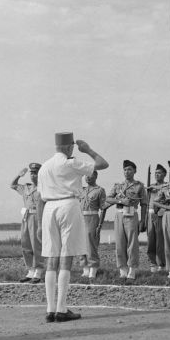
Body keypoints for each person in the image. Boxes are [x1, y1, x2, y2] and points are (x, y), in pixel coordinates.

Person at [37, 133, 108, 322]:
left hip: (48, 208)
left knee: (51, 259)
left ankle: (50, 310)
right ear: (69, 147)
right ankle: (61, 309)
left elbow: (39, 197)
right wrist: (88, 150)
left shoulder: (44, 167)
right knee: (65, 258)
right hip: (68, 205)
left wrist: (38, 223)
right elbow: (102, 164)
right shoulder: (70, 162)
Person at [105, 160, 147, 281]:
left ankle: (132, 269)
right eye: (125, 169)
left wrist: (143, 220)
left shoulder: (139, 186)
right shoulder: (118, 186)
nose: (127, 172)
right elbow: (108, 199)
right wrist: (120, 201)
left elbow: (144, 204)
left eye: (129, 169)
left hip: (132, 215)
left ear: (134, 171)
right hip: (119, 215)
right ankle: (122, 269)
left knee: (132, 243)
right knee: (119, 243)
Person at [11, 163, 44, 283]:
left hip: (37, 217)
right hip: (26, 217)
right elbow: (13, 185)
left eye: (35, 173)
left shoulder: (43, 187)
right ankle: (30, 271)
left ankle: (38, 271)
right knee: (26, 244)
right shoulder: (26, 187)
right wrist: (19, 175)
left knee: (37, 245)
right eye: (31, 173)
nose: (33, 175)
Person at [78, 170, 107, 280]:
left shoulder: (99, 190)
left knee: (91, 244)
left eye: (90, 175)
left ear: (96, 176)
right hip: (80, 218)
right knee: (80, 244)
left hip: (92, 218)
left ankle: (93, 269)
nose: (87, 177)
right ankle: (85, 268)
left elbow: (103, 208)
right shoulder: (81, 190)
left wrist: (100, 225)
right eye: (85, 175)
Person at [147, 164, 167, 273]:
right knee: (151, 240)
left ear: (164, 174)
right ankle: (152, 263)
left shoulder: (166, 186)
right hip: (150, 214)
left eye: (159, 173)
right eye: (155, 173)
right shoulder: (151, 187)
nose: (157, 175)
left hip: (161, 214)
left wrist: (156, 188)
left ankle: (161, 264)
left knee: (160, 240)